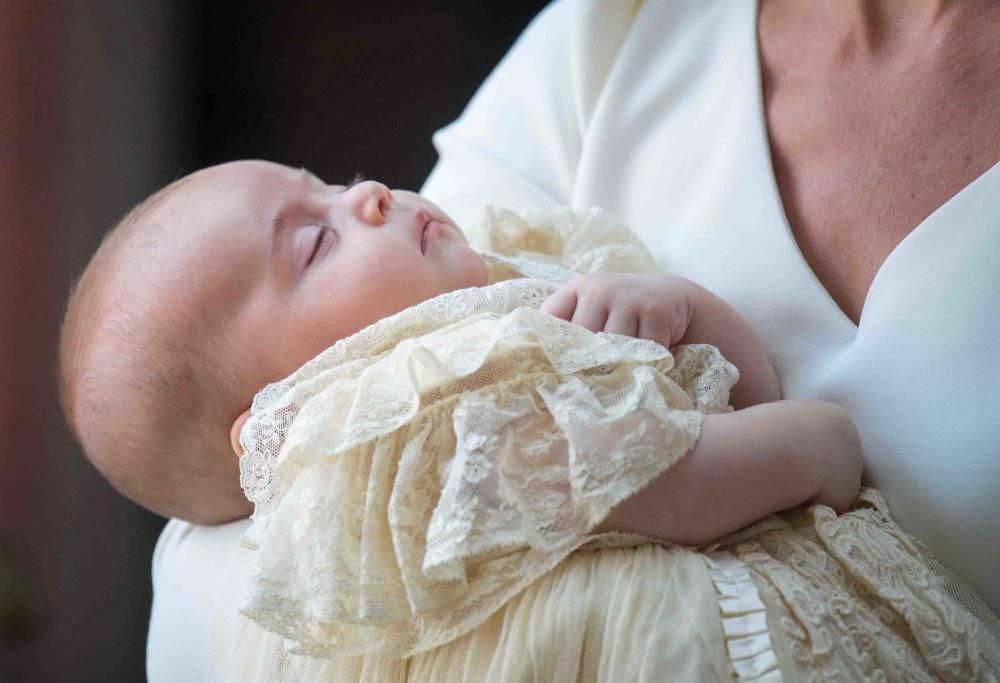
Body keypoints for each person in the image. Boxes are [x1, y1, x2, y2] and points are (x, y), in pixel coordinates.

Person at [145, 0, 1000, 680]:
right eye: (315, 242)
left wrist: (681, 307)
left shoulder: (502, 283)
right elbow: (643, 483)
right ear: (273, 422)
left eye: (330, 185)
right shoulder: (403, 425)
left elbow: (740, 384)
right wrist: (812, 446)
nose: (366, 191)